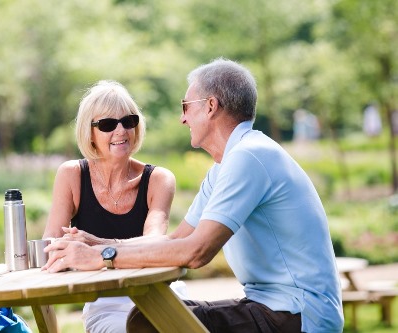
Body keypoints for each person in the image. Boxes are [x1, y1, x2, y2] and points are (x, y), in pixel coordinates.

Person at [43, 59, 344, 333]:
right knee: (151, 317)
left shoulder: (249, 157)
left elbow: (197, 252)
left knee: (147, 324)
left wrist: (100, 257)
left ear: (210, 106)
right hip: (272, 306)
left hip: (298, 315)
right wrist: (99, 243)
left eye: (186, 106)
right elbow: (176, 240)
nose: (182, 119)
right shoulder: (225, 166)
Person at [42, 80, 176, 333]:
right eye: (107, 125)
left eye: (129, 121)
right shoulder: (71, 174)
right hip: (104, 302)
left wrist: (94, 245)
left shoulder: (159, 179)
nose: (121, 131)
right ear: (89, 133)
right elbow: (51, 244)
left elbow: (156, 242)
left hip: (157, 293)